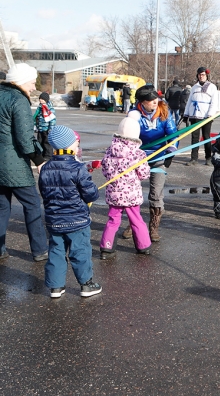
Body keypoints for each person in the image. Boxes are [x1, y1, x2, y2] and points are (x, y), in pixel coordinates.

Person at [38, 125, 101, 298]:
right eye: (76, 144)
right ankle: (86, 284)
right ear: (69, 146)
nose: (77, 147)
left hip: (54, 220)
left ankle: (56, 287)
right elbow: (90, 194)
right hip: (77, 220)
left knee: (56, 252)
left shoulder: (45, 168)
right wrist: (93, 190)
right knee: (80, 251)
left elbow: (44, 192)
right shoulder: (78, 168)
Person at [0, 63, 49, 261]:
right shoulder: (18, 100)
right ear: (20, 81)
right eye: (31, 82)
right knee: (32, 204)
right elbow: (24, 137)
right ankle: (39, 249)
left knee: (2, 207)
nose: (32, 87)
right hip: (14, 165)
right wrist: (38, 159)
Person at [125, 85, 177, 241]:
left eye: (156, 98)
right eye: (151, 99)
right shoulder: (134, 116)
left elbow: (173, 134)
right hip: (138, 159)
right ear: (142, 102)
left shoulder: (164, 112)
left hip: (159, 158)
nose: (155, 101)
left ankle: (153, 227)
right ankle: (133, 224)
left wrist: (172, 148)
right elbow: (127, 137)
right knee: (133, 194)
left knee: (156, 195)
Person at [99, 117, 152, 259]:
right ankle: (143, 246)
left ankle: (107, 247)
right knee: (136, 219)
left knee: (113, 220)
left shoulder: (110, 150)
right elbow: (144, 174)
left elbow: (105, 170)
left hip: (114, 194)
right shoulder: (138, 153)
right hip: (131, 195)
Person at [183, 67, 220, 166]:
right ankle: (193, 158)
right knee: (194, 138)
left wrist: (210, 115)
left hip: (206, 116)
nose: (201, 76)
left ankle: (208, 157)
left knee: (206, 137)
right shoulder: (194, 87)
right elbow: (189, 101)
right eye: (199, 74)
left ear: (206, 75)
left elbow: (214, 102)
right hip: (194, 115)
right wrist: (186, 114)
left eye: (203, 74)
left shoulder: (212, 87)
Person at [34, 91, 56, 157]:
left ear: (46, 100)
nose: (40, 100)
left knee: (47, 142)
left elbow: (52, 119)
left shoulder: (49, 108)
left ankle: (48, 155)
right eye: (40, 99)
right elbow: (36, 117)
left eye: (42, 99)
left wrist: (51, 128)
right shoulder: (39, 108)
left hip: (46, 128)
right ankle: (41, 154)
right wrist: (35, 126)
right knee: (40, 142)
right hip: (40, 128)